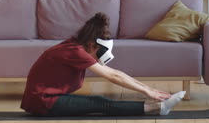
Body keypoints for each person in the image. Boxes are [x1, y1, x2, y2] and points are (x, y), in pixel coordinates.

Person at [21, 12, 185, 116]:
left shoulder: (76, 46)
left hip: (50, 97)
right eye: (99, 53)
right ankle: (156, 108)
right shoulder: (74, 51)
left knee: (98, 100)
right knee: (100, 103)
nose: (99, 58)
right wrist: (147, 92)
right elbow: (112, 76)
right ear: (92, 45)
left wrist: (150, 89)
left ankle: (156, 105)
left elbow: (116, 72)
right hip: (42, 102)